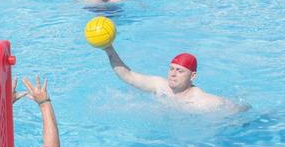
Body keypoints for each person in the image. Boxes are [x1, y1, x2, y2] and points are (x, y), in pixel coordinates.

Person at [100, 46, 243, 112]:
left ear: (193, 76)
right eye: (171, 69)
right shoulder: (159, 86)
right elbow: (127, 75)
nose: (172, 74)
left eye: (179, 71)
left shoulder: (204, 101)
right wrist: (109, 49)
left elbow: (239, 111)